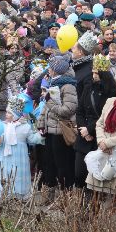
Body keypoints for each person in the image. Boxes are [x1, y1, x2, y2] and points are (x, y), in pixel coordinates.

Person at [37, 54, 78, 191]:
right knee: (49, 163)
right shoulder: (53, 83)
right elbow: (46, 108)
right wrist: (41, 123)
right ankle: (50, 191)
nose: (48, 70)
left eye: (50, 67)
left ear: (57, 70)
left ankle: (66, 194)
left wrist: (49, 101)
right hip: (50, 130)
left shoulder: (68, 86)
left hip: (60, 131)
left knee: (62, 164)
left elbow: (68, 109)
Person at [74, 55, 116, 189]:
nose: (93, 75)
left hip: (100, 135)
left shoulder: (110, 93)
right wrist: (83, 130)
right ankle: (79, 204)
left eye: (96, 73)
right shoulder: (88, 87)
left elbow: (106, 115)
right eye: (92, 72)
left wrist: (90, 130)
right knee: (79, 173)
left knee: (96, 176)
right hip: (84, 134)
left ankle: (93, 205)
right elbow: (79, 111)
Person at [0, 94, 43, 199]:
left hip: (20, 157)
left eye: (9, 112)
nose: (6, 114)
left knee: (17, 173)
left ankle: (17, 194)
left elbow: (32, 140)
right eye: (6, 112)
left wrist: (40, 135)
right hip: (4, 156)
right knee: (4, 172)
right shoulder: (2, 125)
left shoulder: (25, 126)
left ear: (16, 114)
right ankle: (1, 192)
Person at [85, 77, 116, 196]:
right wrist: (101, 141)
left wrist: (108, 143)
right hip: (103, 151)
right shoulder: (110, 101)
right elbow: (100, 123)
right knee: (98, 190)